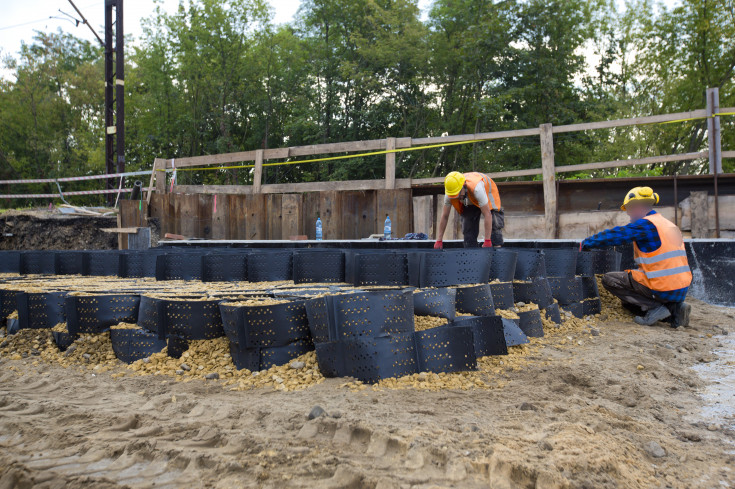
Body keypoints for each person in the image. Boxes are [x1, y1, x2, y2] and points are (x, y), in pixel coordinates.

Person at [581, 186, 692, 327]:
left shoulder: (646, 225)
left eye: (630, 209)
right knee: (632, 293)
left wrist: (587, 242)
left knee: (610, 279)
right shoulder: (668, 225)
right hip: (681, 289)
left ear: (638, 206)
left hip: (663, 287)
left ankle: (654, 308)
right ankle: (675, 310)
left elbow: (617, 235)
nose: (629, 214)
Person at [434, 171, 504, 249]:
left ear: (463, 186)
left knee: (494, 222)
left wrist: (487, 240)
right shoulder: (450, 192)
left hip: (488, 194)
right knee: (468, 227)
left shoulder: (477, 188)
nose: (457, 198)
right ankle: (471, 252)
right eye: (454, 196)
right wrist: (439, 240)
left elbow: (487, 214)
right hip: (469, 197)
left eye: (457, 194)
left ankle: (497, 251)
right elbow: (445, 216)